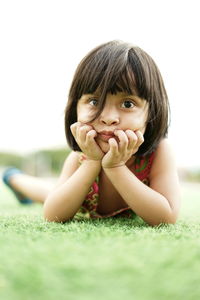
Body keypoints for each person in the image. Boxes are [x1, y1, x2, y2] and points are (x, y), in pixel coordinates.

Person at [2, 40, 181, 226]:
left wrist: (115, 167)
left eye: (128, 103)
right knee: (48, 194)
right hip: (77, 202)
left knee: (50, 191)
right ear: (75, 108)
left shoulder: (159, 153)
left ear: (151, 114)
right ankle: (14, 178)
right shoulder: (79, 159)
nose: (109, 118)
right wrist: (93, 162)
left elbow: (166, 218)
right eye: (94, 102)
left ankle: (15, 178)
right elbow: (52, 214)